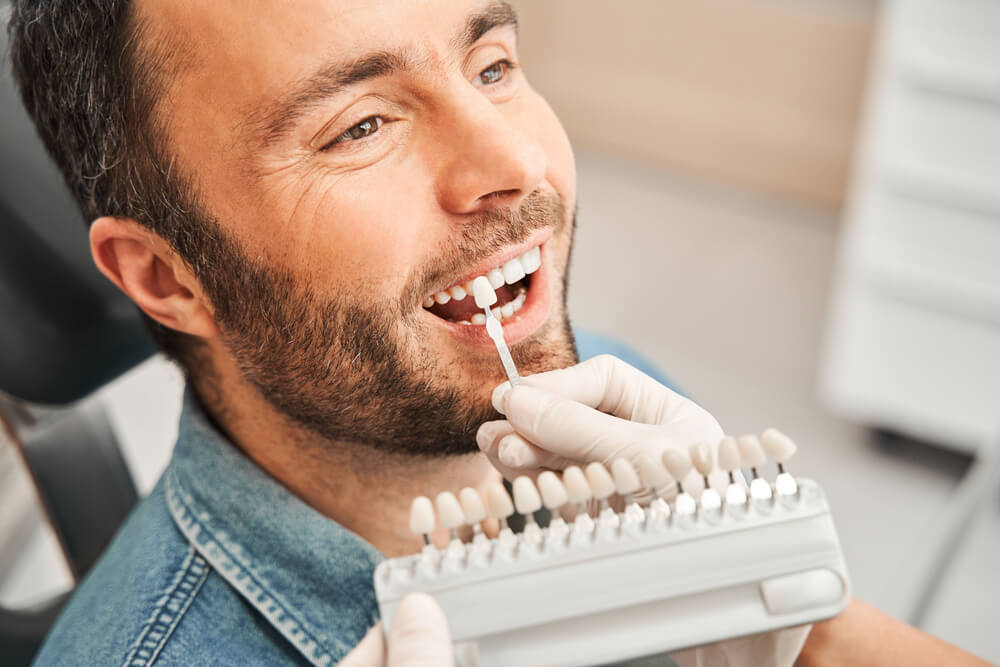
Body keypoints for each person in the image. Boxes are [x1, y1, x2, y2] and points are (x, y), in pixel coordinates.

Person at [6, 1, 990, 665]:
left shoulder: (619, 409)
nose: (511, 162)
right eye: (361, 127)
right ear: (167, 278)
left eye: (492, 64)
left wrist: (808, 625)